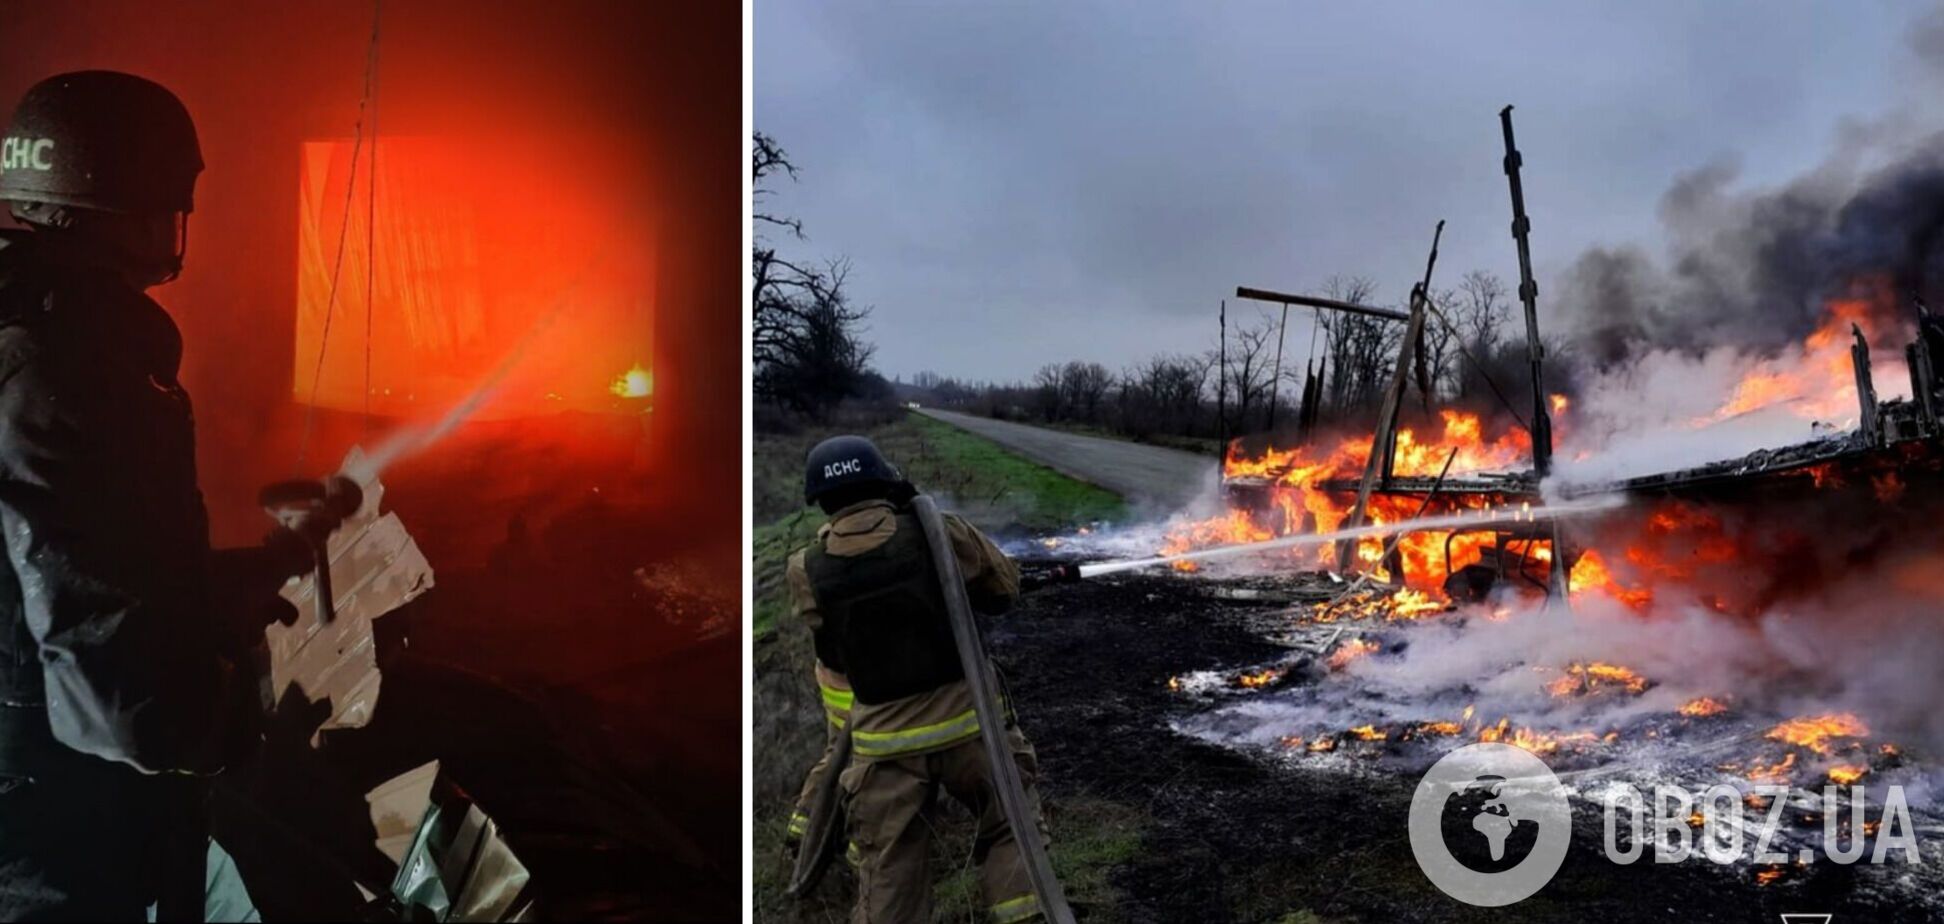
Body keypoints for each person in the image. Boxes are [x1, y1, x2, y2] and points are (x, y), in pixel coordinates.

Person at [0, 70, 328, 920]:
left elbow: (69, 560)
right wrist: (223, 734)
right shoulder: (68, 367)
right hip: (49, 812)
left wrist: (226, 585)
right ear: (127, 208)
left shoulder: (28, 336)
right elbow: (101, 651)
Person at [786, 435, 1048, 924]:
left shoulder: (805, 569)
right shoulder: (940, 533)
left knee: (889, 870)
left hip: (883, 750)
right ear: (887, 481)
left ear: (820, 500)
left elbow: (831, 650)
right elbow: (1003, 591)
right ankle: (1026, 914)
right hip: (972, 730)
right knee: (1010, 827)